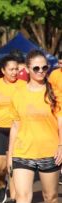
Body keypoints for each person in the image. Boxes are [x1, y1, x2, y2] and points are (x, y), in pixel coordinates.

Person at [8, 50, 61, 203]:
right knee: (22, 197)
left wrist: (61, 146)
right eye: (36, 68)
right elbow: (15, 125)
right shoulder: (18, 93)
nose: (41, 71)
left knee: (51, 197)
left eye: (44, 67)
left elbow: (61, 121)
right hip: (23, 151)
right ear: (28, 68)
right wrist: (10, 155)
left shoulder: (54, 91)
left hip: (50, 151)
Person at [0, 56, 26, 203]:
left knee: (13, 166)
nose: (14, 72)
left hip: (17, 130)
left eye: (17, 69)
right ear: (3, 70)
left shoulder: (24, 85)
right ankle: (1, 185)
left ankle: (13, 199)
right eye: (11, 69)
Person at [48, 51, 62, 185]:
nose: (61, 64)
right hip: (56, 111)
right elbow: (49, 90)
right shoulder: (54, 74)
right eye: (60, 62)